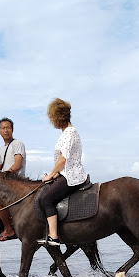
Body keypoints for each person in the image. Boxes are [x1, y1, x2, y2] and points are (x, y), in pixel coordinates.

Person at [37, 98, 88, 247]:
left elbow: (62, 159)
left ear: (57, 117)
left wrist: (51, 175)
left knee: (46, 199)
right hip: (67, 173)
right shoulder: (68, 132)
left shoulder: (69, 133)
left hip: (72, 176)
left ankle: (54, 236)